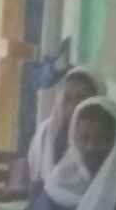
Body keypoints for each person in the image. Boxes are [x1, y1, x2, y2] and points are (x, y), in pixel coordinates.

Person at [20, 66, 105, 197]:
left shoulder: (104, 138)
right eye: (67, 98)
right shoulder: (45, 133)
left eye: (81, 98)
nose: (73, 105)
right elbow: (32, 181)